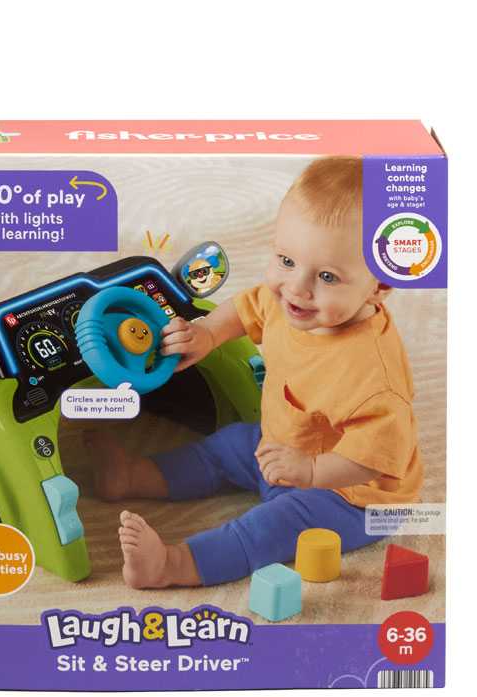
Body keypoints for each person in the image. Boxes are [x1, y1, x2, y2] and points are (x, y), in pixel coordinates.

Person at [91, 157, 422, 589]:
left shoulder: (372, 376)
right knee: (226, 447)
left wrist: (311, 471)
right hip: (282, 446)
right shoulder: (290, 302)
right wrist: (208, 333)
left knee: (272, 526)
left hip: (353, 497)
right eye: (286, 260)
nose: (296, 287)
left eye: (327, 276)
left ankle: (171, 565)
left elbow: (373, 459)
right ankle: (134, 476)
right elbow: (248, 306)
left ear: (380, 285)